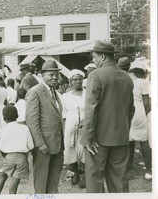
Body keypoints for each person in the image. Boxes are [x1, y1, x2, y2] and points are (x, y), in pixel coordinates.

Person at [81, 40, 135, 193]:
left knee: (95, 181)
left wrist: (88, 139)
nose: (93, 60)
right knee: (119, 181)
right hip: (121, 137)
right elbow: (131, 109)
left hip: (98, 139)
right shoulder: (126, 77)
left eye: (94, 57)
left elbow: (91, 109)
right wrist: (123, 130)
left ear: (103, 57)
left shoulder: (96, 75)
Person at [26, 60, 64, 194]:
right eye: (50, 75)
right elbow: (32, 121)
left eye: (56, 75)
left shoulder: (53, 91)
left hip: (57, 143)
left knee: (54, 178)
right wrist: (40, 143)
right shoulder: (35, 92)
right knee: (41, 180)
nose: (54, 77)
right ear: (42, 75)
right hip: (44, 145)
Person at [0, 105, 34, 194]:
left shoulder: (3, 130)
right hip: (22, 159)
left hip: (9, 157)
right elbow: (31, 146)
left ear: (4, 118)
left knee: (3, 176)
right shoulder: (25, 128)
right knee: (13, 187)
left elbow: (0, 147)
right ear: (17, 116)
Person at [62, 69, 86, 188]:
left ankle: (85, 175)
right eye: (75, 79)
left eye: (80, 79)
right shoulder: (65, 96)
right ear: (70, 81)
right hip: (70, 125)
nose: (78, 81)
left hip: (85, 125)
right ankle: (75, 172)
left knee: (84, 149)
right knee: (71, 149)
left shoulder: (87, 93)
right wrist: (66, 130)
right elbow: (64, 114)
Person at [128, 61, 152, 180]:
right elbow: (147, 103)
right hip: (139, 111)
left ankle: (128, 166)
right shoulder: (143, 82)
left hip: (128, 111)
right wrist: (144, 114)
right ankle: (148, 170)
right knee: (143, 141)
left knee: (129, 141)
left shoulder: (127, 81)